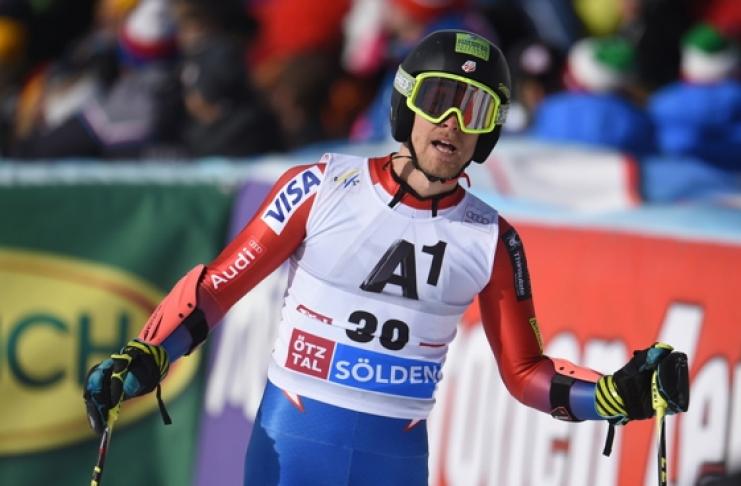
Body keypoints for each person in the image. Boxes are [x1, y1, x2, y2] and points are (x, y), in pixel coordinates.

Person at [83, 30, 689, 485]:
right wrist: (147, 354)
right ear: (406, 105)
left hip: (393, 463)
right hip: (291, 450)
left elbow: (526, 373)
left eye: (474, 110)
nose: (453, 123)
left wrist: (612, 395)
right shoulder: (320, 186)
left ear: (490, 132)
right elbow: (217, 288)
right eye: (440, 99)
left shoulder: (492, 238)